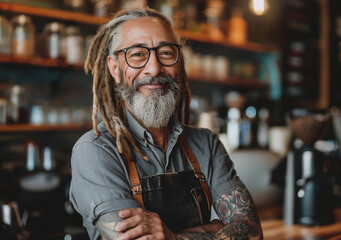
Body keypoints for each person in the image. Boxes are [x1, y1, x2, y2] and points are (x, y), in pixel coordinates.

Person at [69, 8, 263, 240]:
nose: (155, 68)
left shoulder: (206, 144)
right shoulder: (95, 150)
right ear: (114, 68)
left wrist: (172, 238)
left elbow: (251, 231)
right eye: (138, 54)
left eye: (166, 53)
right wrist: (214, 229)